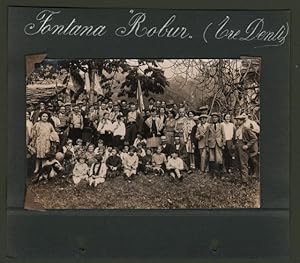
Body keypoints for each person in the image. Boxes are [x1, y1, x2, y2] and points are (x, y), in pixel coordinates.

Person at [235, 114, 259, 183]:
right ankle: (240, 179)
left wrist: (247, 146)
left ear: (242, 121)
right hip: (237, 145)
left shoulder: (246, 128)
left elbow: (254, 138)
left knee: (243, 164)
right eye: (237, 120)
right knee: (238, 163)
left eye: (238, 120)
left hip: (243, 146)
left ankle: (244, 181)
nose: (237, 121)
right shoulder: (237, 128)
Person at [205, 112, 226, 177]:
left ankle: (221, 173)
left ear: (218, 118)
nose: (214, 119)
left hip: (219, 144)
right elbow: (207, 136)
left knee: (219, 158)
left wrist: (223, 143)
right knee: (212, 159)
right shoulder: (209, 126)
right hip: (211, 144)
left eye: (216, 117)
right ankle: (213, 173)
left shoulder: (221, 126)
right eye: (213, 117)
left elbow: (223, 135)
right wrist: (206, 145)